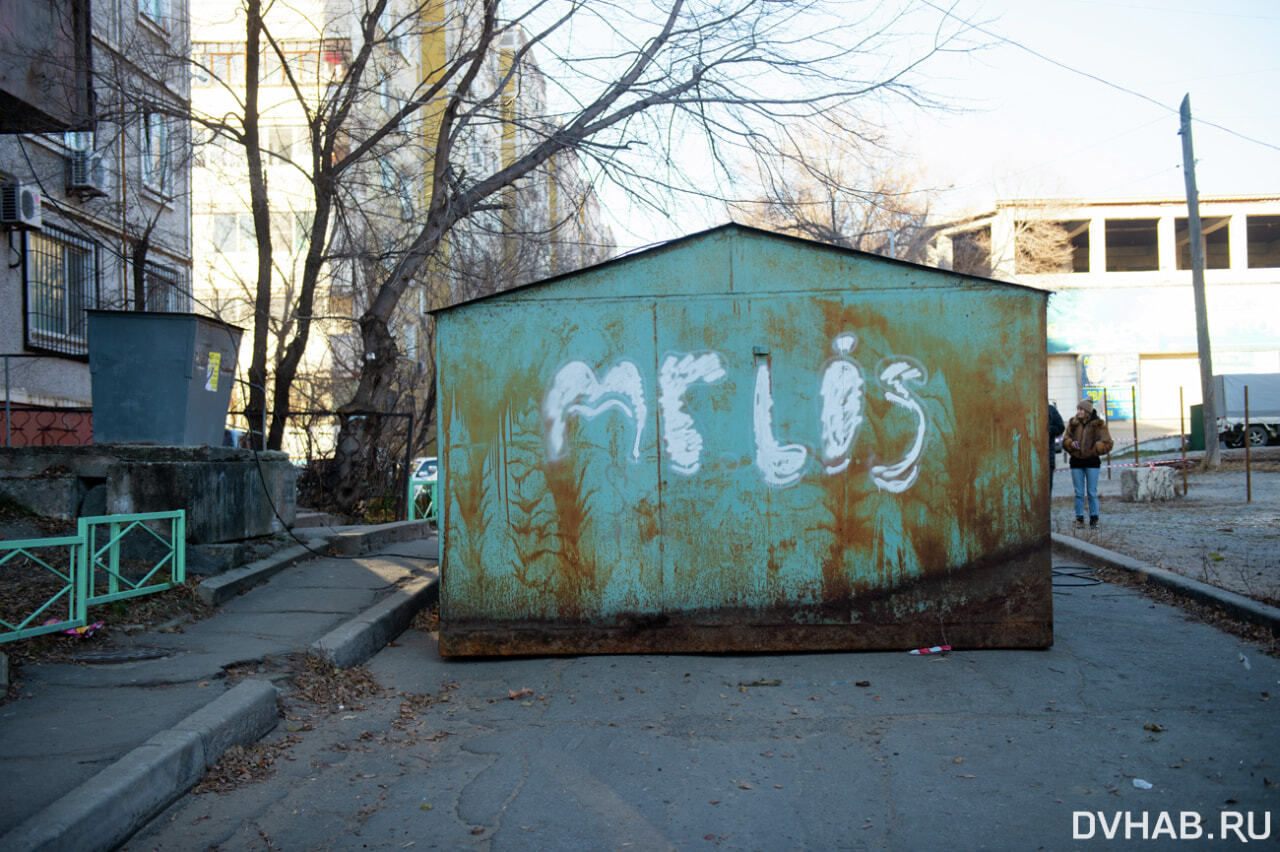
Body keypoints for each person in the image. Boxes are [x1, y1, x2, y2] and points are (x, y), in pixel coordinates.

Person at [1063, 397, 1113, 528]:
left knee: (1092, 492)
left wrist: (1097, 448)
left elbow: (1108, 443)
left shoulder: (1098, 424)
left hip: (1092, 462)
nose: (1078, 411)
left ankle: (1094, 519)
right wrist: (1070, 444)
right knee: (1079, 493)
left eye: (1080, 409)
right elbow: (1065, 439)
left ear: (1086, 411)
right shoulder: (1073, 423)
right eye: (1077, 409)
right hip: (1076, 462)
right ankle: (1079, 519)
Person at [1047, 402, 1065, 494]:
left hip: (1048, 458)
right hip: (1029, 459)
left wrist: (1048, 429)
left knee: (1046, 490)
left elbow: (1061, 427)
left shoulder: (1050, 409)